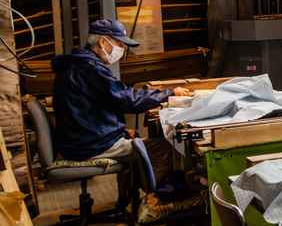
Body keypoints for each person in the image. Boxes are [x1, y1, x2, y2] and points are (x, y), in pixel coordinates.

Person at [51, 19, 191, 166]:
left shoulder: (77, 64)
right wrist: (168, 94)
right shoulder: (90, 68)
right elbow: (127, 100)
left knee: (133, 136)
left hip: (80, 140)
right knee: (171, 147)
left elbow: (115, 96)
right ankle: (160, 188)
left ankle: (134, 187)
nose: (122, 50)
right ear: (103, 42)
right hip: (90, 146)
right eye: (120, 45)